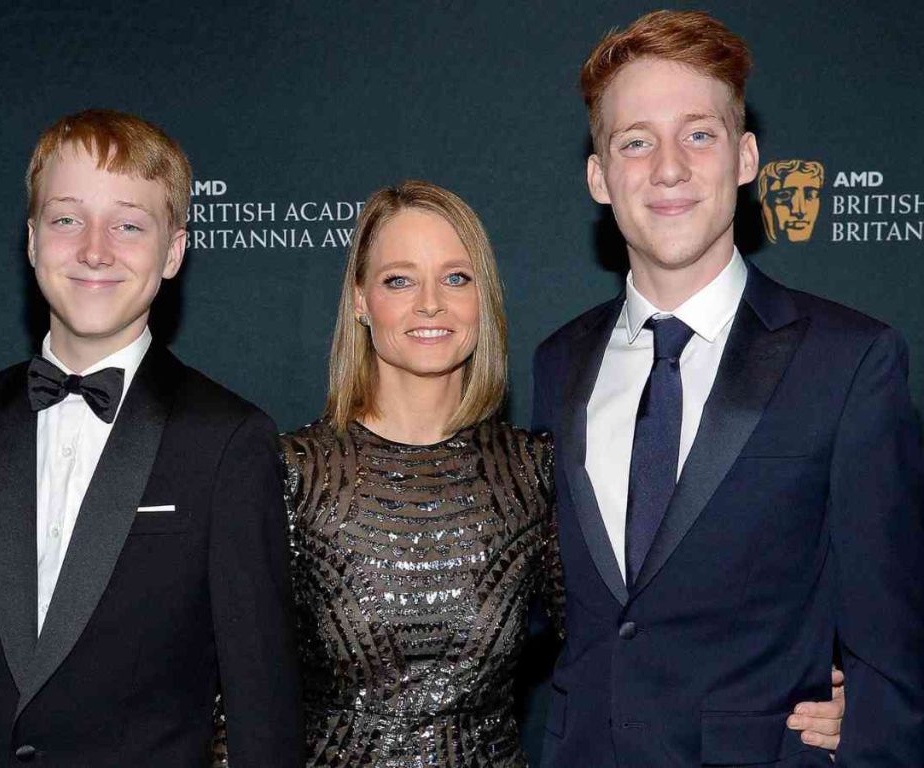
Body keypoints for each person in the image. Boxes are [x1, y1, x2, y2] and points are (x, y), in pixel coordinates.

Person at [215, 180, 844, 767]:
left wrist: (804, 689)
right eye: (399, 279)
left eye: (456, 277)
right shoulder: (288, 472)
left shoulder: (530, 469)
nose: (431, 302)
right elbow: (235, 694)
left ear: (482, 299)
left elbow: (626, 638)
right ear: (360, 300)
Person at [533, 10, 924, 766]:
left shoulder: (850, 363)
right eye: (636, 141)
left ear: (746, 159)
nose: (669, 167)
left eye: (699, 134)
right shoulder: (558, 362)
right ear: (598, 176)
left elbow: (891, 652)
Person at [0, 109, 303, 767]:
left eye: (128, 225)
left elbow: (263, 707)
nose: (94, 249)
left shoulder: (227, 439)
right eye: (66, 220)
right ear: (31, 241)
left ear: (173, 251)